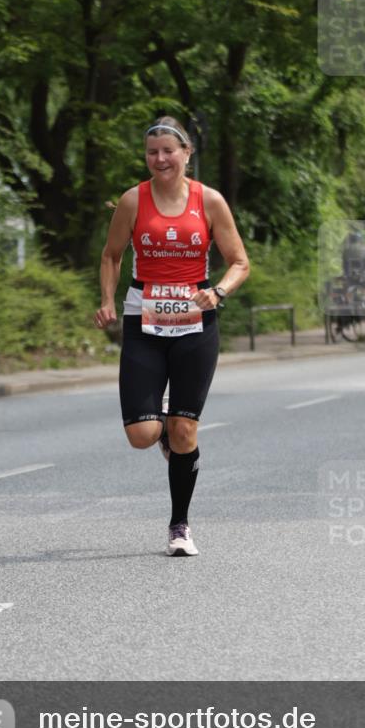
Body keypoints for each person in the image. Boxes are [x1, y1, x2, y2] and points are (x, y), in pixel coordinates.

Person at [94, 116, 250, 556]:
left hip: (196, 325)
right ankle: (160, 430)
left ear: (186, 153)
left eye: (168, 151)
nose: (160, 159)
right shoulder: (132, 201)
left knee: (185, 430)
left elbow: (240, 261)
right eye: (152, 152)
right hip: (143, 321)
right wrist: (108, 299)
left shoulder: (210, 201)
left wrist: (217, 291)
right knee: (143, 435)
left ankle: (179, 526)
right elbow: (111, 255)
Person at [341, 230, 365, 308]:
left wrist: (344, 275)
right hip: (363, 277)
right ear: (360, 240)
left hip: (349, 277)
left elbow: (344, 264)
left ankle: (347, 304)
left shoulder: (346, 250)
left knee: (346, 289)